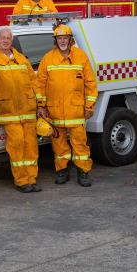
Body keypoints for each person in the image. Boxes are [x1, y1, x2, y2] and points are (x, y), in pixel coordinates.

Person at [37, 24, 98, 187]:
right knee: (59, 144)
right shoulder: (47, 58)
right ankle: (62, 171)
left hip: (76, 110)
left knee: (79, 143)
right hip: (54, 110)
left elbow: (90, 84)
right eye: (59, 38)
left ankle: (83, 172)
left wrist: (89, 106)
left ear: (70, 40)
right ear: (55, 41)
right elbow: (40, 84)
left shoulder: (81, 56)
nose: (62, 41)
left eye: (65, 38)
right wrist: (41, 106)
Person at [0, 27, 41, 193]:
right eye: (2, 38)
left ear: (11, 40)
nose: (5, 40)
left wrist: (41, 103)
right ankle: (22, 181)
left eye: (8, 38)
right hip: (8, 112)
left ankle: (32, 178)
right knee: (17, 144)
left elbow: (34, 82)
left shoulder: (22, 59)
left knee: (31, 146)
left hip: (28, 110)